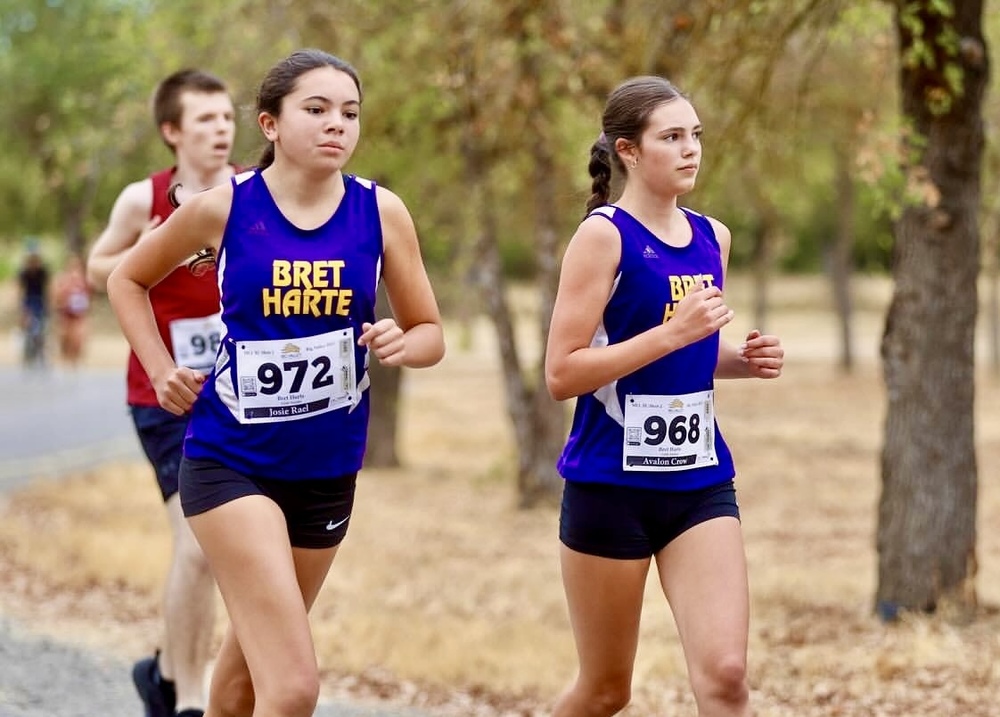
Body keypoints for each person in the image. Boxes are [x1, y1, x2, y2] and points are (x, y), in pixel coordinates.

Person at [106, 49, 445, 717]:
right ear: (269, 123)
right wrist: (158, 365)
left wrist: (405, 343)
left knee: (239, 686)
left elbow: (430, 329)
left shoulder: (382, 212)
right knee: (291, 687)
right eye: (315, 110)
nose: (336, 125)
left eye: (349, 113)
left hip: (327, 469)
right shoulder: (225, 207)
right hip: (231, 462)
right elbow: (126, 278)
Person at [544, 76, 784, 717]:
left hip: (698, 482)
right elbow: (563, 373)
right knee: (604, 692)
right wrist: (671, 332)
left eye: (696, 136)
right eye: (672, 137)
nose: (691, 150)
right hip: (610, 486)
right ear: (628, 150)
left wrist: (741, 360)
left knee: (727, 677)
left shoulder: (714, 237)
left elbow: (689, 356)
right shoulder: (603, 237)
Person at [87, 68, 238, 717]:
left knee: (215, 547)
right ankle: (190, 700)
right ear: (172, 132)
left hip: (237, 394)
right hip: (162, 396)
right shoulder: (141, 198)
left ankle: (164, 674)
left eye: (228, 117)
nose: (222, 130)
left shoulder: (252, 196)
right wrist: (158, 247)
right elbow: (99, 269)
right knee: (198, 543)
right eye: (205, 120)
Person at [52, 253, 91, 367]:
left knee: (78, 336)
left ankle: (75, 358)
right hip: (66, 312)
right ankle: (66, 357)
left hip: (79, 313)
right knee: (65, 335)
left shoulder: (84, 280)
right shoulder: (63, 280)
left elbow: (88, 295)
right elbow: (57, 295)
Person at [17, 243, 50, 367]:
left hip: (40, 301)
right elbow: (20, 291)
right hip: (29, 301)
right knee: (28, 328)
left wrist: (48, 306)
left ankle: (41, 354)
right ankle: (27, 354)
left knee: (41, 330)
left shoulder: (43, 272)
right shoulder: (24, 273)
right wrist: (22, 309)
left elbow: (47, 289)